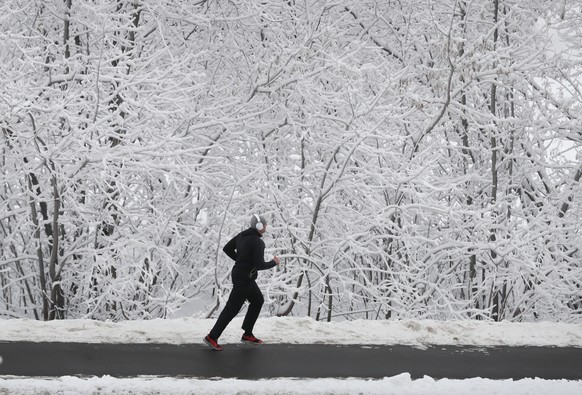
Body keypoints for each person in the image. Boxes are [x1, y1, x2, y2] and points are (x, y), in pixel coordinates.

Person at [204, 214, 280, 351]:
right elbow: (260, 265)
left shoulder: (242, 236)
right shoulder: (258, 242)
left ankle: (248, 334)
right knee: (231, 308)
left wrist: (240, 260)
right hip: (244, 278)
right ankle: (212, 337)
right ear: (259, 226)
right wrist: (273, 262)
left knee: (257, 301)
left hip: (242, 275)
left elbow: (227, 249)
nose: (266, 227)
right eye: (265, 225)